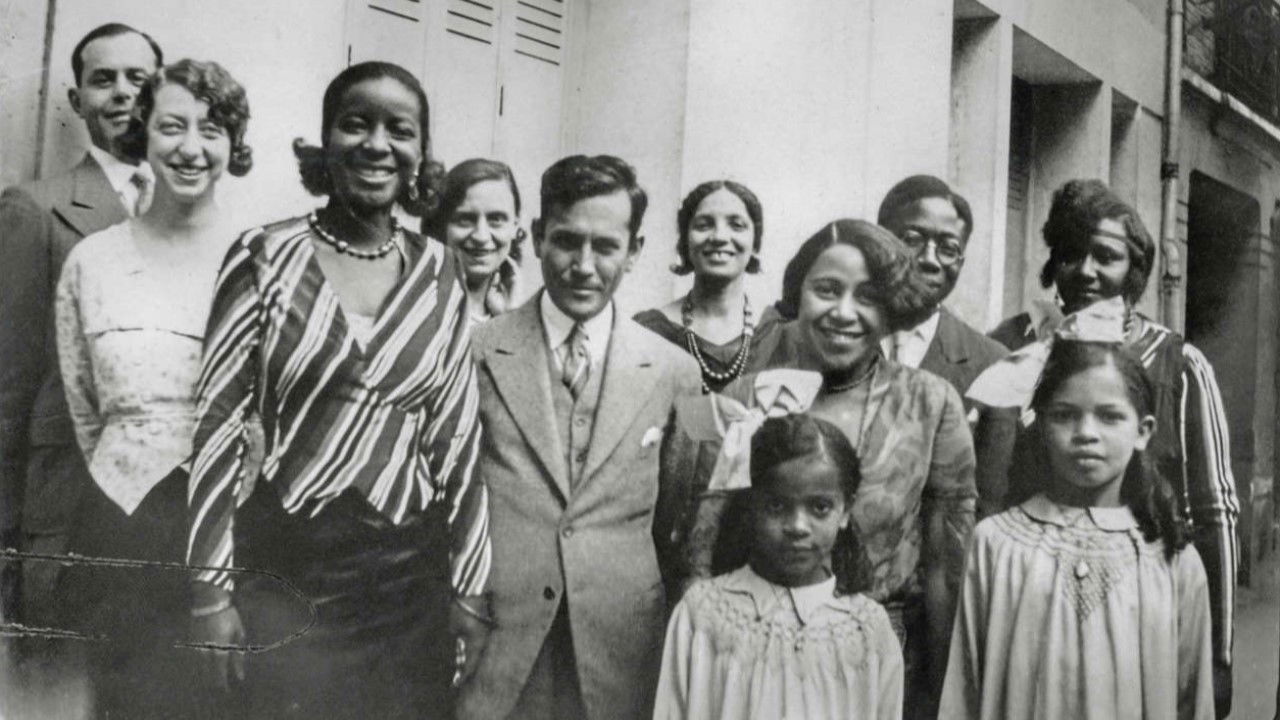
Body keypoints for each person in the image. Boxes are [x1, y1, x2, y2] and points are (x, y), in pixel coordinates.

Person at [185, 61, 489, 719]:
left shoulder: (439, 269)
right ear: (326, 142)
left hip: (409, 579)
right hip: (290, 569)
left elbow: (458, 440)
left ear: (418, 154)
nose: (377, 144)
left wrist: (469, 591)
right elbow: (214, 429)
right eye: (356, 124)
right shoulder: (264, 255)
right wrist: (210, 594)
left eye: (398, 130)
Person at [679, 220, 976, 719]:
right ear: (800, 292)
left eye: (867, 297)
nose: (844, 313)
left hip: (880, 662)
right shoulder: (747, 398)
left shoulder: (930, 402)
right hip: (751, 655)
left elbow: (947, 563)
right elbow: (702, 551)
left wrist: (938, 691)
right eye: (827, 290)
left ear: (892, 308)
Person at [971, 179, 1238, 716]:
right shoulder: (1015, 349)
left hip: (1140, 597)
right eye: (1071, 254)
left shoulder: (1178, 364)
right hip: (1030, 591)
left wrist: (1218, 652)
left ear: (1134, 270)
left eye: (1106, 256)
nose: (1087, 271)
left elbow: (1214, 512)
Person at [458, 154, 701, 720]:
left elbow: (678, 507)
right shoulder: (476, 351)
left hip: (621, 642)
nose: (584, 266)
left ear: (635, 250)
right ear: (538, 237)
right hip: (502, 634)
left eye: (606, 247)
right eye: (567, 241)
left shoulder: (671, 370)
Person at [53, 58, 252, 718]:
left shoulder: (265, 261)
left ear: (234, 144)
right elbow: (85, 409)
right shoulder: (93, 262)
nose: (192, 147)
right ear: (144, 132)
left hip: (237, 536)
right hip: (121, 530)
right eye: (172, 126)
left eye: (214, 129)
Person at [940, 340, 1214, 719]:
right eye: (1065, 415)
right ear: (1040, 423)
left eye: (1109, 416)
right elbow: (962, 693)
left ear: (1143, 431)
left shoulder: (1172, 558)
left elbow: (1192, 702)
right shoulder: (996, 544)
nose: (1086, 432)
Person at [0, 22, 162, 630]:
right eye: (103, 80)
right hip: (68, 506)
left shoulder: (197, 214)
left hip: (169, 517)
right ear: (76, 101)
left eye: (139, 78)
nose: (122, 93)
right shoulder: (36, 208)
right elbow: (8, 389)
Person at [653, 412, 902, 720]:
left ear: (845, 511)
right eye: (776, 506)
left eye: (820, 508)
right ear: (752, 506)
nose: (797, 526)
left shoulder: (867, 630)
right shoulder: (703, 615)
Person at [634, 180, 783, 393]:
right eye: (704, 225)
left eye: (737, 225)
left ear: (755, 242)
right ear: (685, 241)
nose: (719, 237)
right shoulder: (647, 330)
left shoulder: (778, 331)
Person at [876, 175, 1007, 398]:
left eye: (948, 249)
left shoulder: (992, 363)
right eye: (912, 239)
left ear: (960, 263)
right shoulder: (835, 334)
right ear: (879, 243)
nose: (929, 259)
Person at [424, 157, 525, 322]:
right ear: (443, 225)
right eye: (465, 219)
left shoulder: (510, 310)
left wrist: (510, 318)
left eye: (496, 219)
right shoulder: (420, 306)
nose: (481, 236)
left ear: (515, 225)